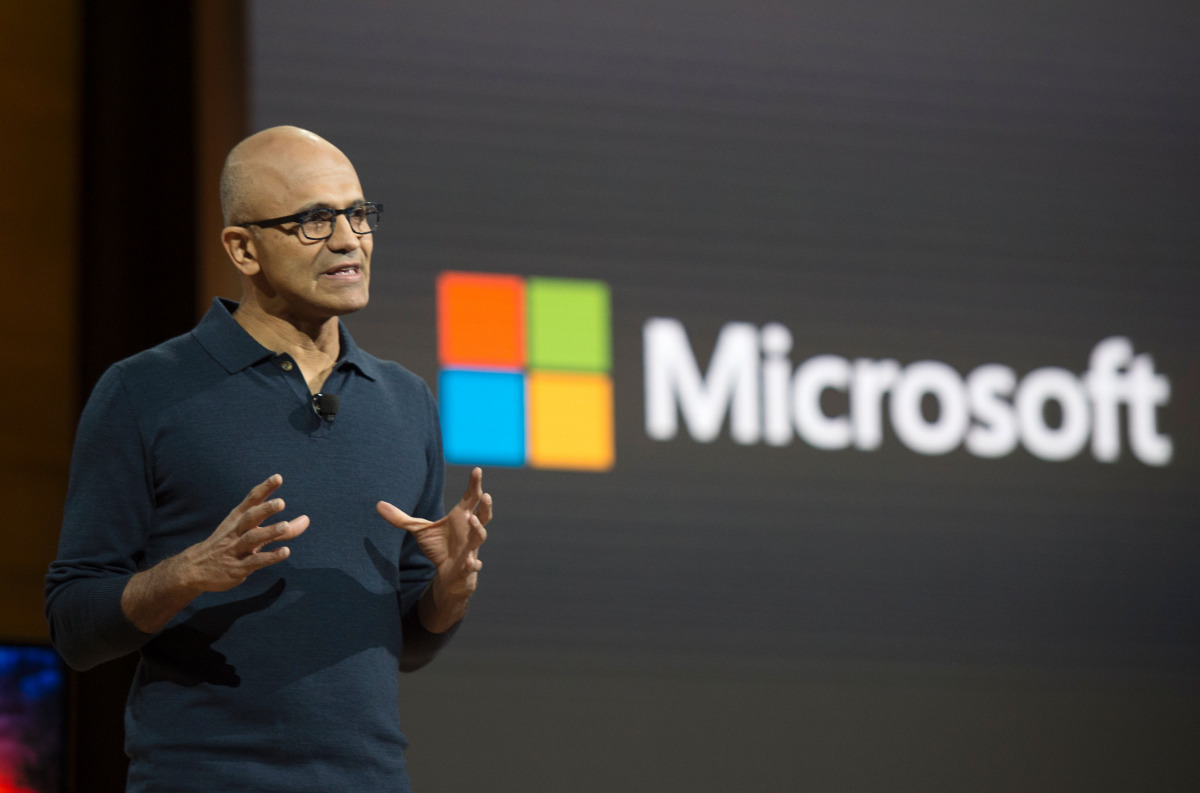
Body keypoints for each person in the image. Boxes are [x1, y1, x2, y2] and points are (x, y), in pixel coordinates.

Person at [44, 126, 491, 792]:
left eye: (358, 214)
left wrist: (445, 596)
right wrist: (186, 573)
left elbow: (408, 644)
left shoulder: (406, 401)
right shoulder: (144, 391)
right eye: (314, 220)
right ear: (243, 248)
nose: (348, 240)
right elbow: (75, 624)